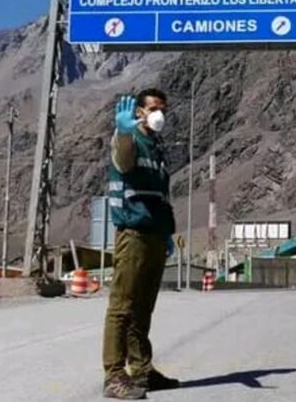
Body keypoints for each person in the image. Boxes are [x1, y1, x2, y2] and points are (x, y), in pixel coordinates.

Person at [102, 89, 178, 399]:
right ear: (139, 112)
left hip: (156, 235)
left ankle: (142, 370)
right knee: (122, 306)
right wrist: (122, 129)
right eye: (152, 108)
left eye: (163, 108)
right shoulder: (130, 139)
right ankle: (114, 375)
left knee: (144, 308)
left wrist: (167, 232)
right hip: (133, 233)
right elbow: (122, 160)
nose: (159, 113)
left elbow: (160, 195)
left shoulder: (157, 147)